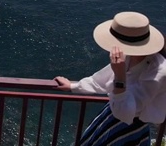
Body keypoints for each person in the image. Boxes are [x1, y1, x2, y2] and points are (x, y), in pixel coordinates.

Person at [54, 11, 166, 145]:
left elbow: (126, 114)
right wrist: (73, 86)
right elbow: (100, 80)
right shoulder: (129, 56)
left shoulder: (158, 72)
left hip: (130, 128)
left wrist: (119, 75)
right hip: (112, 116)